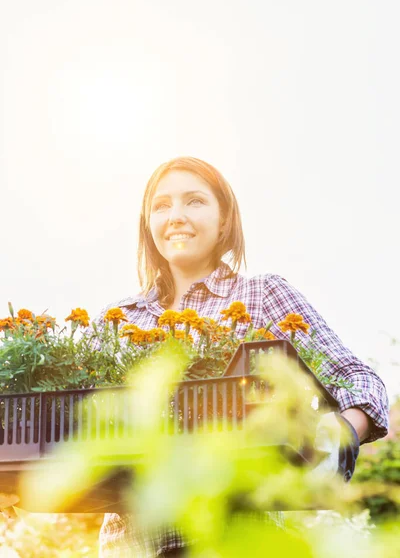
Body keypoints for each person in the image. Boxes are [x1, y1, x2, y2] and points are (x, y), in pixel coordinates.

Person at [97, 156, 389, 557]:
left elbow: (360, 380)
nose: (176, 216)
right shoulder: (120, 320)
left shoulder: (261, 296)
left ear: (223, 221)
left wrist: (339, 434)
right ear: (148, 225)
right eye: (161, 205)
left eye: (194, 201)